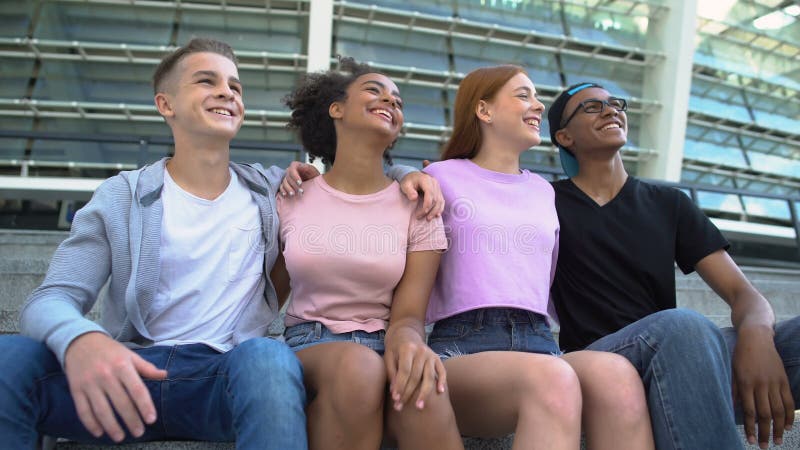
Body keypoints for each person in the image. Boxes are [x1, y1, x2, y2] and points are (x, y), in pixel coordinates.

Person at [0, 38, 443, 449]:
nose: (227, 92)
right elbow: (51, 298)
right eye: (206, 81)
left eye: (235, 85)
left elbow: (352, 183)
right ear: (165, 104)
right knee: (10, 355)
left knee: (268, 358)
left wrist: (408, 175)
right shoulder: (123, 195)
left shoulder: (272, 192)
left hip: (226, 378)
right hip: (127, 375)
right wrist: (81, 340)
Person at [547, 81, 800, 450]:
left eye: (615, 103)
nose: (610, 110)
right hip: (603, 362)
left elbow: (742, 293)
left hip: (683, 358)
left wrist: (757, 335)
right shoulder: (544, 201)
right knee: (684, 326)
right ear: (564, 137)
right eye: (591, 107)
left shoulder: (668, 202)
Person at [422, 65, 654, 450]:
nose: (538, 105)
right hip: (463, 347)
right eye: (523, 95)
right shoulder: (439, 177)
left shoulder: (543, 191)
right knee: (552, 377)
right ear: (484, 110)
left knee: (618, 374)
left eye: (536, 96)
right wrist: (401, 174)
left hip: (541, 340)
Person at [273, 57, 463, 450]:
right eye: (375, 91)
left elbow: (409, 315)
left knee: (425, 391)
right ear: (336, 109)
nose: (390, 102)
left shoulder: (419, 203)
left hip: (385, 339)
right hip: (309, 345)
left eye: (398, 101)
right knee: (358, 369)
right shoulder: (291, 197)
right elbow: (265, 299)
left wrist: (411, 343)